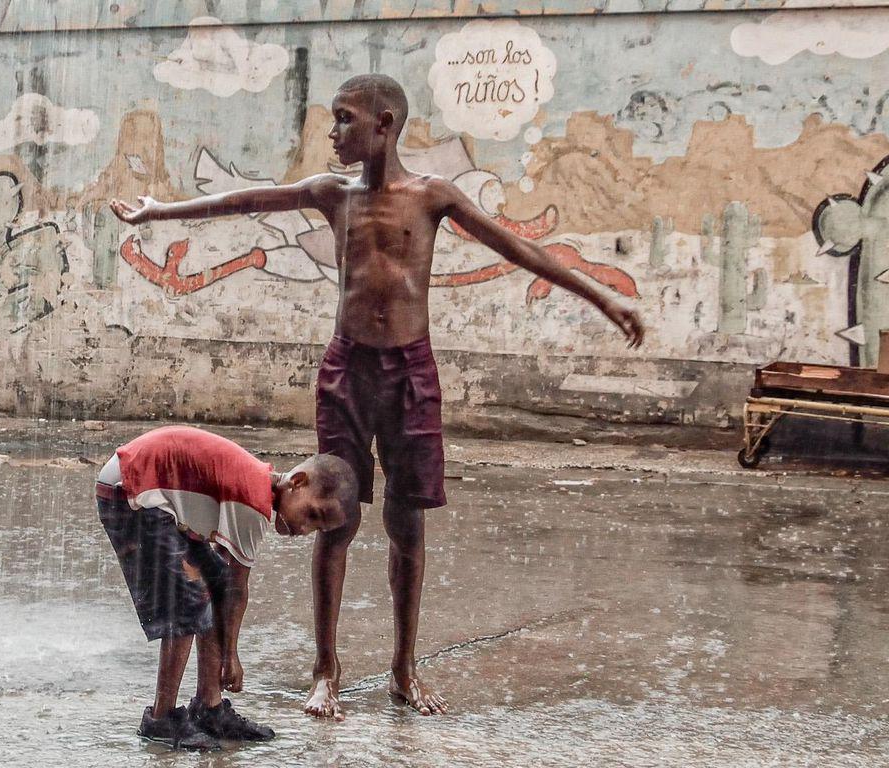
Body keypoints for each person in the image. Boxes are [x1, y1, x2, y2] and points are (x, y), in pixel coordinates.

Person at [111, 74, 645, 719]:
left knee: (407, 524)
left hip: (412, 375)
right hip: (347, 371)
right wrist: (159, 213)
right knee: (336, 521)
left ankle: (403, 668)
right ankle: (326, 670)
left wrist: (603, 296)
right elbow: (249, 201)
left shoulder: (432, 196)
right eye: (334, 120)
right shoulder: (332, 195)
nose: (334, 133)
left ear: (384, 124)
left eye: (345, 120)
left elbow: (520, 249)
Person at [96, 425, 358, 750]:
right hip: (131, 491)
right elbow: (237, 587)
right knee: (187, 602)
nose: (304, 529)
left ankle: (209, 707)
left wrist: (226, 651)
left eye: (315, 528)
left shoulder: (255, 487)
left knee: (210, 582)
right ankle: (161, 719)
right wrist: (230, 656)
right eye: (311, 514)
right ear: (297, 482)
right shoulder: (253, 500)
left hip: (149, 492)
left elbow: (223, 582)